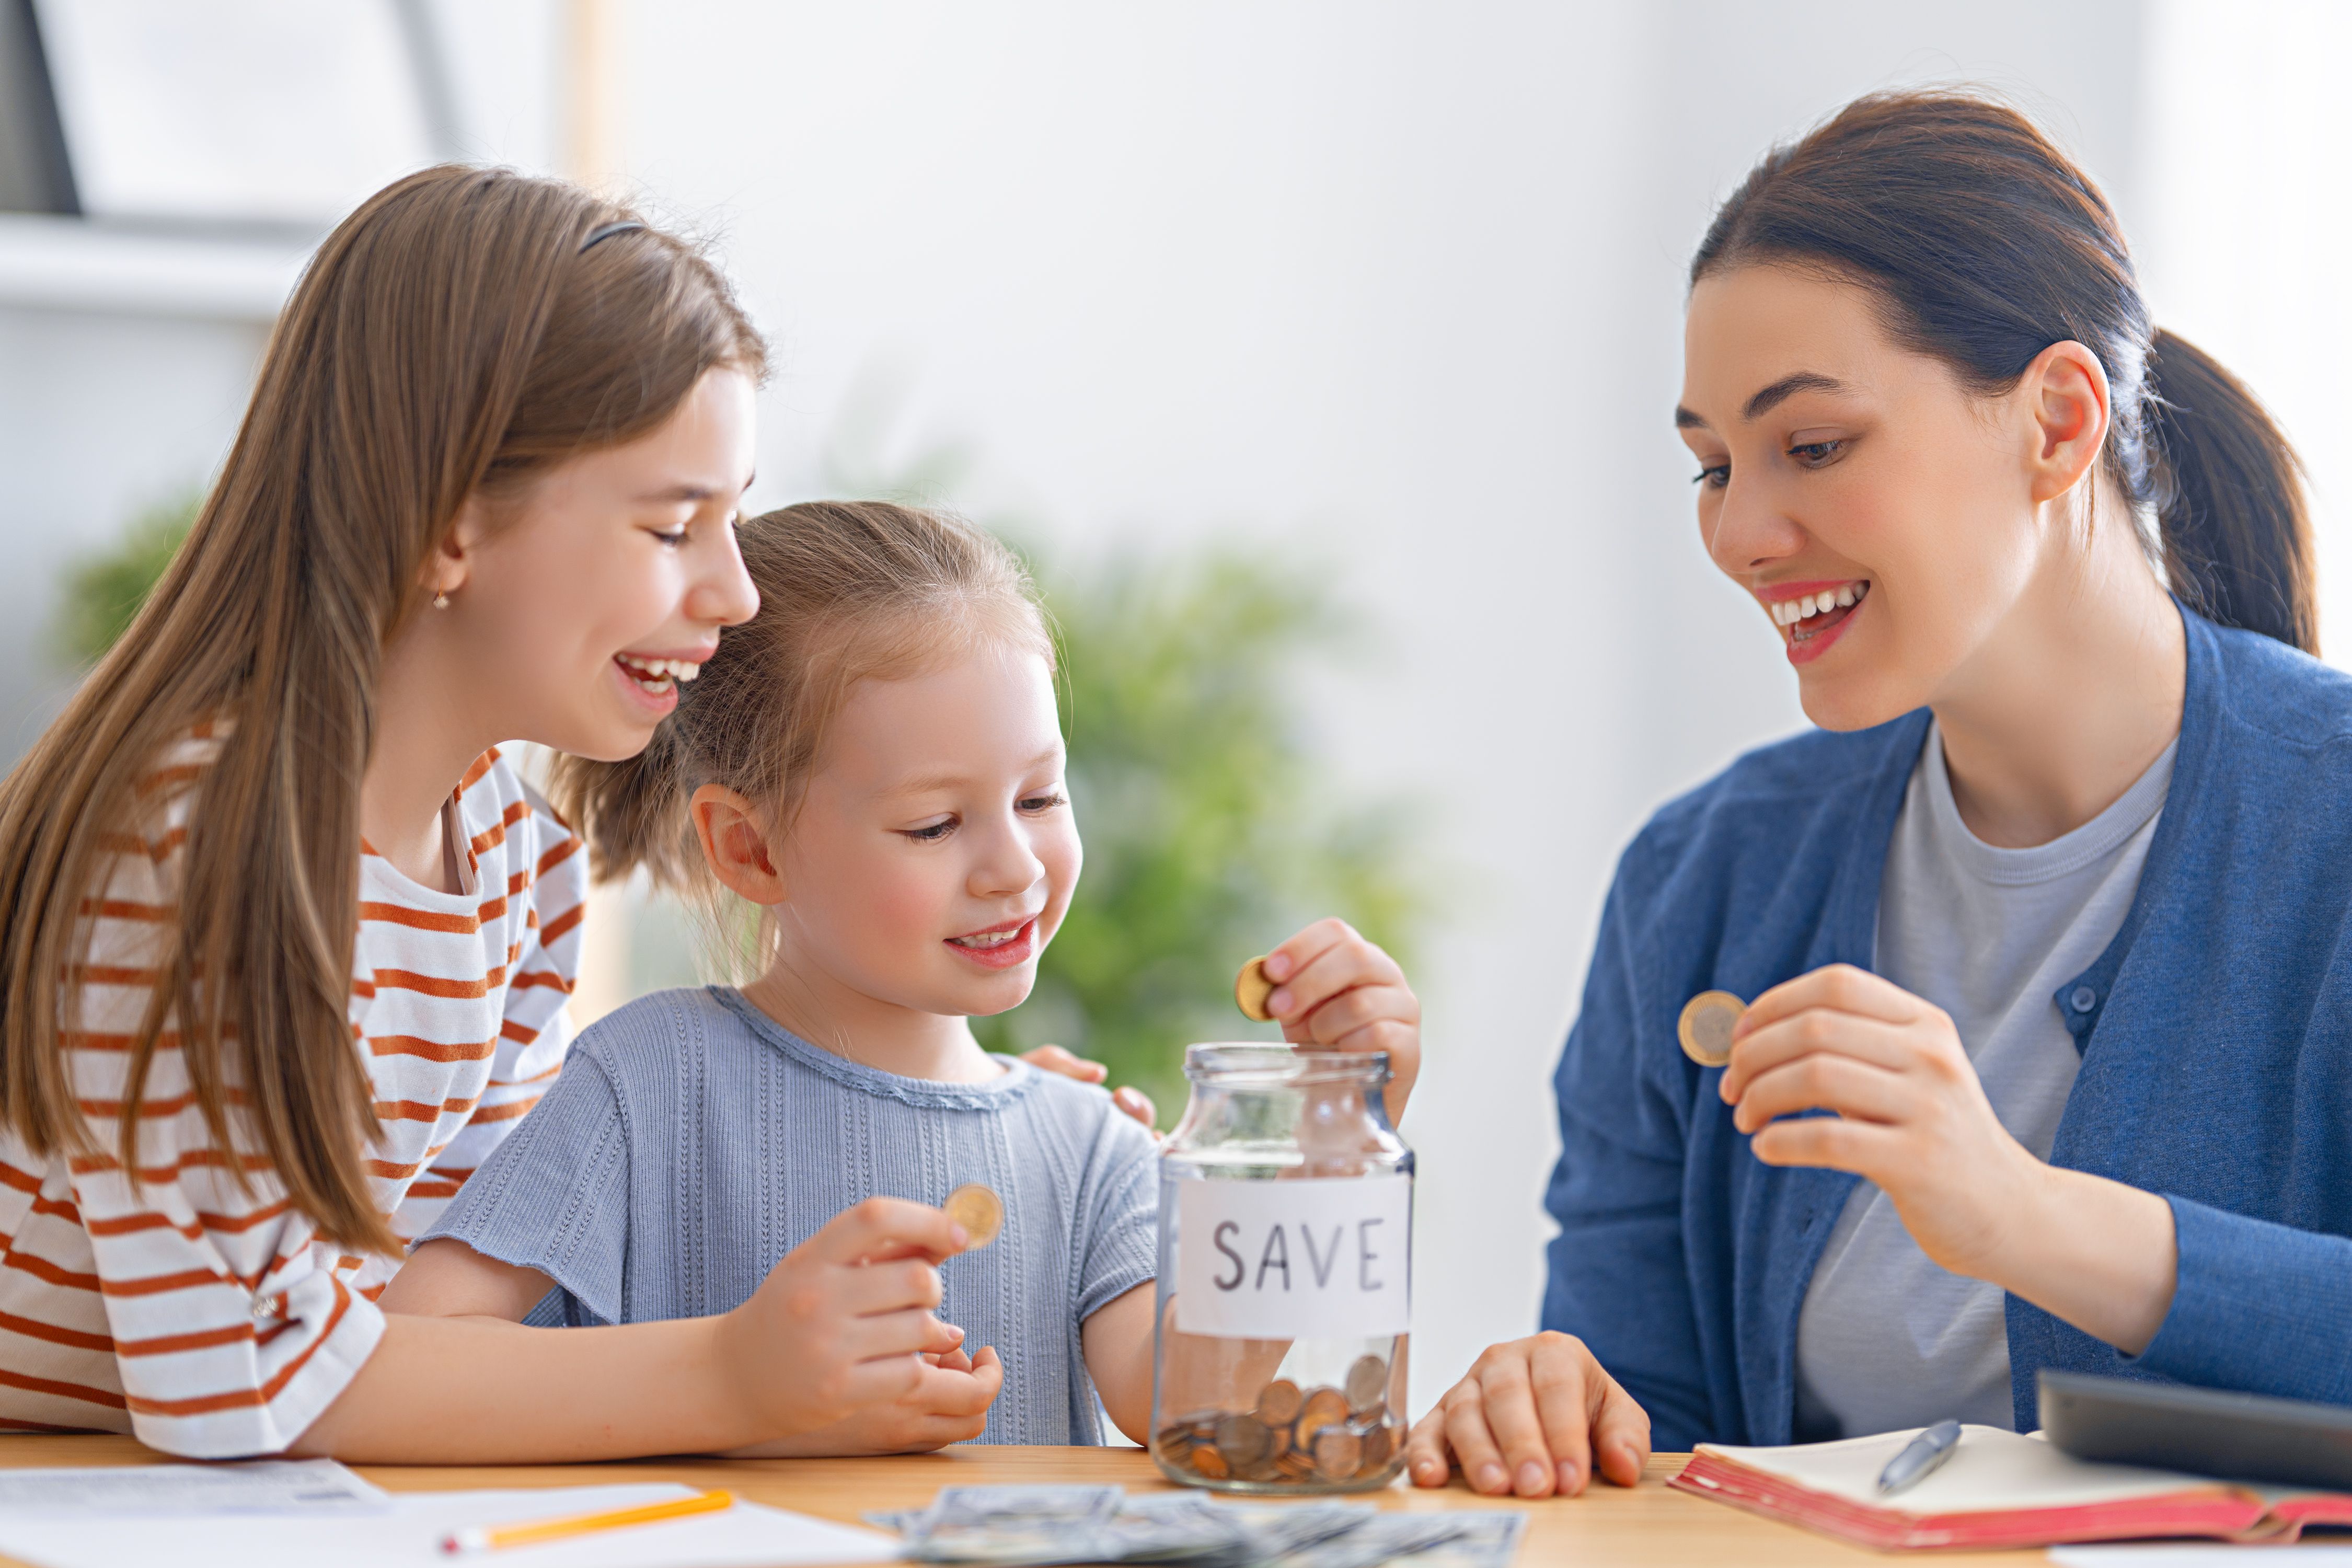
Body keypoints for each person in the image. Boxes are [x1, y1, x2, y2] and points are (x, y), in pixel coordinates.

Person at [1405, 89, 2352, 1500]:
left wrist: (2018, 1211)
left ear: (2054, 420)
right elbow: (1641, 1425)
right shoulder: (1703, 879)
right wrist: (1551, 1402)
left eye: (1814, 446)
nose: (1737, 533)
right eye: (1712, 467)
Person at [0, 167, 995, 1461]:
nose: (735, 592)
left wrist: (959, 1112)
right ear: (455, 521)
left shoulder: (520, 873)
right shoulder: (195, 846)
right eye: (674, 524)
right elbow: (247, 1384)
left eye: (732, 522)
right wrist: (732, 1377)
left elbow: (445, 1308)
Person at [383, 500, 1423, 1451]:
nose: (1014, 867)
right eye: (934, 823)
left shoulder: (1091, 1145)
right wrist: (732, 1375)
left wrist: (1337, 1153)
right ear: (750, 851)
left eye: (1041, 799)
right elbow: (402, 1348)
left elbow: (1208, 1414)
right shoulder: (644, 1085)